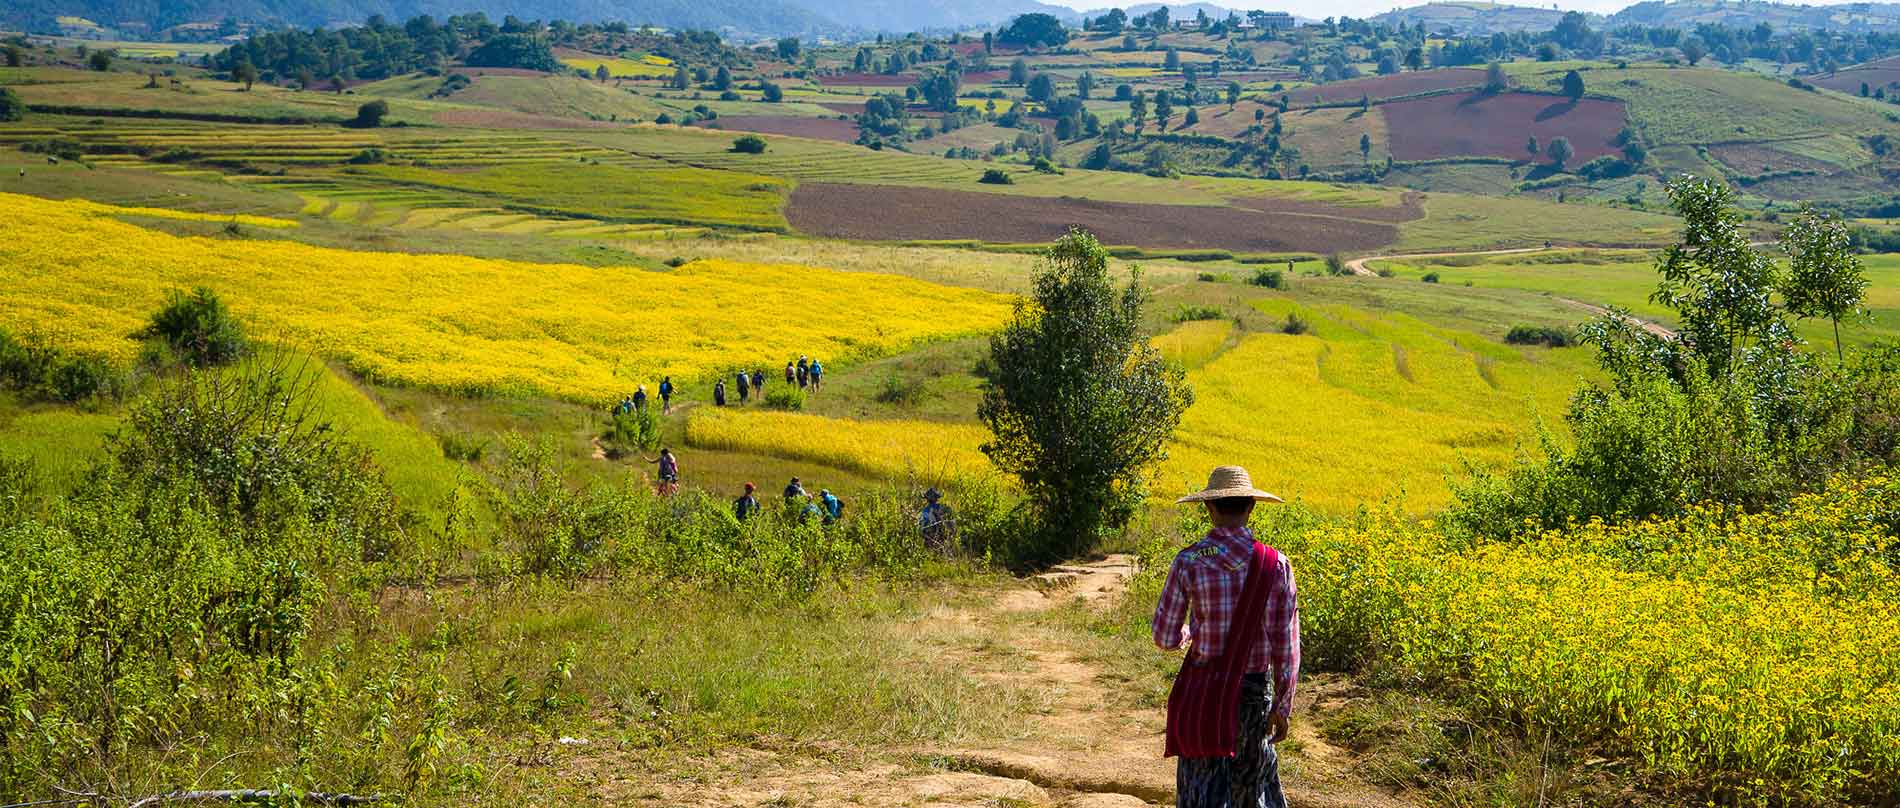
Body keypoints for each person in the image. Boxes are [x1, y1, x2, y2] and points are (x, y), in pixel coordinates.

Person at [1153, 466, 1299, 808]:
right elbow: (1286, 645)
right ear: (1251, 507)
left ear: (1209, 508)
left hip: (1204, 694)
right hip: (1252, 696)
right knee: (1252, 787)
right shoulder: (1275, 564)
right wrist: (1282, 705)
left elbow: (1164, 636)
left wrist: (1189, 634)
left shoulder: (1189, 560)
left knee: (1202, 785)